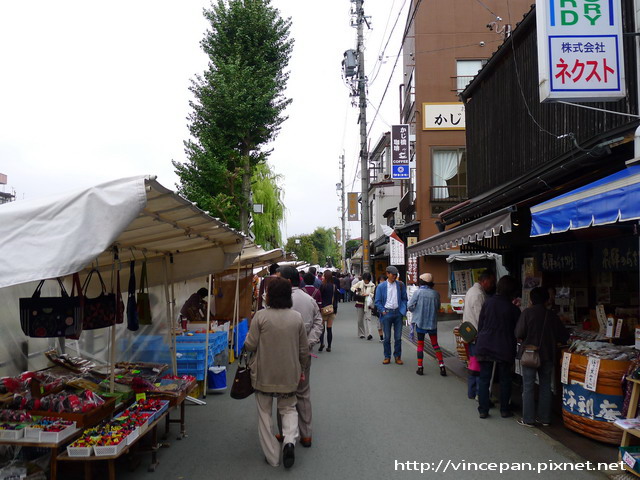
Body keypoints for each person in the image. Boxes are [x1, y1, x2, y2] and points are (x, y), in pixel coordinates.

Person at [244, 278, 309, 469]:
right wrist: (302, 369)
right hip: (289, 373)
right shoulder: (296, 317)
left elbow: (250, 344)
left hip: (264, 373)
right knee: (289, 408)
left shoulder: (261, 316)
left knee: (264, 413)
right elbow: (303, 350)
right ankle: (289, 441)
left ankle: (272, 456)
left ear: (269, 296)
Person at [278, 267, 323, 446]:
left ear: (287, 281)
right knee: (303, 393)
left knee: (283, 392)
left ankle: (285, 433)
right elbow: (319, 323)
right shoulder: (309, 299)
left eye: (278, 278)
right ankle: (306, 434)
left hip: (282, 354)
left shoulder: (279, 300)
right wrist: (308, 342)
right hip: (304, 353)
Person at [515, 287, 569, 427]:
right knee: (546, 386)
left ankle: (528, 419)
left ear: (532, 299)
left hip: (529, 355)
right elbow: (564, 336)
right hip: (548, 354)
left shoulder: (527, 313)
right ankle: (545, 418)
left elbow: (519, 333)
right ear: (547, 300)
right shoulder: (551, 315)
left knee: (528, 387)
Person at [475, 275, 521, 419]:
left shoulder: (488, 303)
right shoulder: (513, 309)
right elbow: (518, 331)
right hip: (504, 346)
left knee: (484, 378)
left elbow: (480, 324)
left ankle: (483, 409)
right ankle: (504, 409)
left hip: (485, 344)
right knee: (505, 378)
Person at [462, 270, 496, 400]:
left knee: (473, 362)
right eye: (491, 282)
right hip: (477, 334)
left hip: (470, 333)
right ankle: (477, 392)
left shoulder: (471, 291)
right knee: (477, 363)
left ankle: (472, 391)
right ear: (485, 280)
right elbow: (481, 316)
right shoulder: (478, 294)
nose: (492, 285)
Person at [408, 273, 446, 376]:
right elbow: (438, 307)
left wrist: (415, 310)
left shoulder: (418, 292)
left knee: (420, 344)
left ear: (421, 282)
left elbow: (410, 305)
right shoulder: (436, 294)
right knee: (435, 345)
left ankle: (420, 367)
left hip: (420, 322)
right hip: (432, 323)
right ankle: (442, 366)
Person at [374, 266, 408, 365]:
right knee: (387, 337)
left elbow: (404, 298)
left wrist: (403, 310)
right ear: (387, 274)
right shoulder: (381, 286)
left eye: (396, 275)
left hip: (398, 313)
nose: (394, 276)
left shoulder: (400, 285)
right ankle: (387, 356)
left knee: (398, 337)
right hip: (387, 313)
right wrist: (383, 310)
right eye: (393, 274)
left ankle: (397, 356)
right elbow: (377, 301)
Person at [351, 272, 376, 340]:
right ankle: (361, 334)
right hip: (360, 302)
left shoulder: (372, 285)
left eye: (367, 280)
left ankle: (369, 334)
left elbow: (373, 293)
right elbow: (352, 287)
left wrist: (368, 294)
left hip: (368, 303)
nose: (365, 281)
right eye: (364, 280)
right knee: (359, 320)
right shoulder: (360, 283)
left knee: (368, 318)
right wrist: (356, 290)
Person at [318, 270, 338, 352]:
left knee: (322, 328)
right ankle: (329, 346)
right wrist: (335, 310)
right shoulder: (334, 286)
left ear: (325, 276)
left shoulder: (322, 286)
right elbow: (336, 299)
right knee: (329, 328)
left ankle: (322, 343)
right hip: (331, 309)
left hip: (323, 309)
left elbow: (320, 297)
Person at [371, 275, 387, 342]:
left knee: (386, 324)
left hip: (387, 309)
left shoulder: (388, 288)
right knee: (379, 324)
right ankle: (381, 337)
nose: (382, 281)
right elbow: (375, 298)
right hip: (379, 309)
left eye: (383, 280)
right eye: (381, 280)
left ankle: (386, 337)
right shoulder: (377, 287)